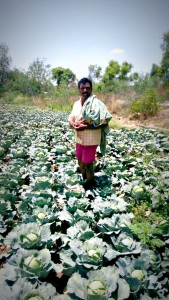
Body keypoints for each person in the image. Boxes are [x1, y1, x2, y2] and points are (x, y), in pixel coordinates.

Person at [68, 77, 112, 190]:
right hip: (79, 137)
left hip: (91, 138)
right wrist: (73, 124)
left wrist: (86, 127)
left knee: (88, 164)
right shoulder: (76, 104)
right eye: (82, 88)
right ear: (78, 89)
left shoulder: (97, 104)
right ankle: (84, 179)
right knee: (80, 160)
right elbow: (71, 117)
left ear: (91, 89)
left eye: (87, 88)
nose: (85, 91)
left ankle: (90, 184)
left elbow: (104, 121)